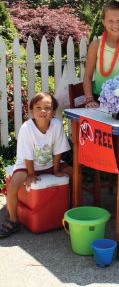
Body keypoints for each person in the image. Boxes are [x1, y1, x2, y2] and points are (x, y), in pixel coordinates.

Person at [0, 92, 72, 238]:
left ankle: (72, 213)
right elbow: (27, 156)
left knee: (75, 173)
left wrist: (57, 170)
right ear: (31, 110)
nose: (42, 111)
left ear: (53, 111)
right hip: (28, 166)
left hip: (50, 163)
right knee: (13, 185)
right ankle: (13, 220)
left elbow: (58, 150)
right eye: (38, 107)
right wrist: (31, 174)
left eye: (47, 108)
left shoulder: (57, 125)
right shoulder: (27, 128)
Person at [83, 0, 119, 107]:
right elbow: (87, 76)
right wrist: (90, 99)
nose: (115, 25)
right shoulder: (95, 45)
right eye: (111, 21)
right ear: (103, 21)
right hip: (99, 100)